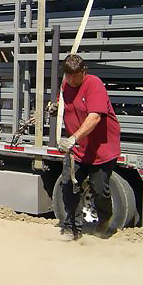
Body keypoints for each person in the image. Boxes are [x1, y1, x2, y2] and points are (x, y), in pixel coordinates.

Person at [57, 54, 121, 240]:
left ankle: (104, 221)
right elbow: (67, 106)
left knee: (100, 189)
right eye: (68, 76)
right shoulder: (66, 85)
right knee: (68, 186)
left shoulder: (94, 85)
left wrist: (73, 138)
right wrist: (56, 108)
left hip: (100, 150)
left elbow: (94, 117)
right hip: (77, 150)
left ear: (84, 72)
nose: (71, 80)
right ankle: (71, 227)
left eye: (75, 76)